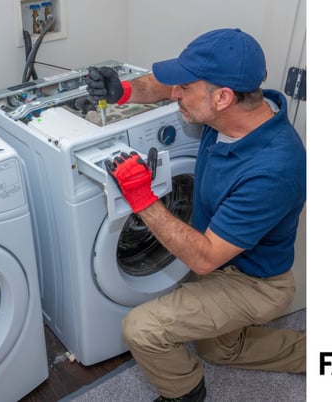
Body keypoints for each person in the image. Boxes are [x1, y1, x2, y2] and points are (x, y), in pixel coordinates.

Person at [86, 28, 306, 402]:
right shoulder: (234, 108)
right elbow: (159, 84)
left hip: (254, 283)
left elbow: (204, 259)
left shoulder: (274, 167)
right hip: (225, 259)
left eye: (185, 89)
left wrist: (141, 197)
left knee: (142, 328)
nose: (175, 94)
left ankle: (186, 394)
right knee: (219, 350)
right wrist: (122, 91)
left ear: (222, 98)